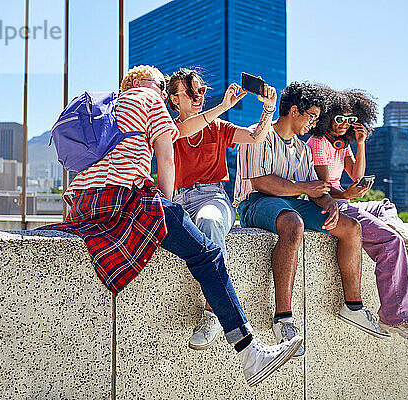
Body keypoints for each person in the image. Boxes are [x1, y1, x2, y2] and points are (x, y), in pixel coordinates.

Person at [38, 65, 303, 386]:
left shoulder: (107, 110)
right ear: (139, 85)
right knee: (207, 255)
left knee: (204, 232)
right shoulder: (148, 100)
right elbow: (165, 159)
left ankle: (235, 339)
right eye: (160, 86)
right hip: (130, 196)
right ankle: (249, 353)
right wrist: (165, 209)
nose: (160, 91)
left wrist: (259, 109)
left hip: (83, 201)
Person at [234, 82, 389, 357]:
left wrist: (330, 204)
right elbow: (260, 182)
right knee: (293, 224)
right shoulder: (257, 135)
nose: (315, 123)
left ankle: (353, 307)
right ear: (294, 110)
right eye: (312, 116)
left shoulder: (303, 150)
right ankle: (284, 319)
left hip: (293, 200)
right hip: (255, 202)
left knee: (351, 227)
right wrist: (306, 188)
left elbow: (316, 188)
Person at [306, 87, 408, 340]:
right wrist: (347, 195)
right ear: (328, 116)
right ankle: (398, 318)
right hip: (328, 203)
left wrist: (360, 143)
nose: (344, 125)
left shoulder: (341, 144)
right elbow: (320, 191)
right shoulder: (318, 142)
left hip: (342, 198)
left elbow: (356, 175)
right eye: (339, 119)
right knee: (388, 242)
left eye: (350, 120)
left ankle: (400, 235)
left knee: (384, 205)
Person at [165, 68, 277, 351]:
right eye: (191, 92)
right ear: (174, 99)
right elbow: (184, 130)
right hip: (177, 200)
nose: (198, 96)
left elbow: (254, 137)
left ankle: (213, 312)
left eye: (201, 90)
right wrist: (223, 106)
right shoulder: (165, 126)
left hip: (212, 196)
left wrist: (268, 110)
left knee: (209, 220)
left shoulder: (218, 127)